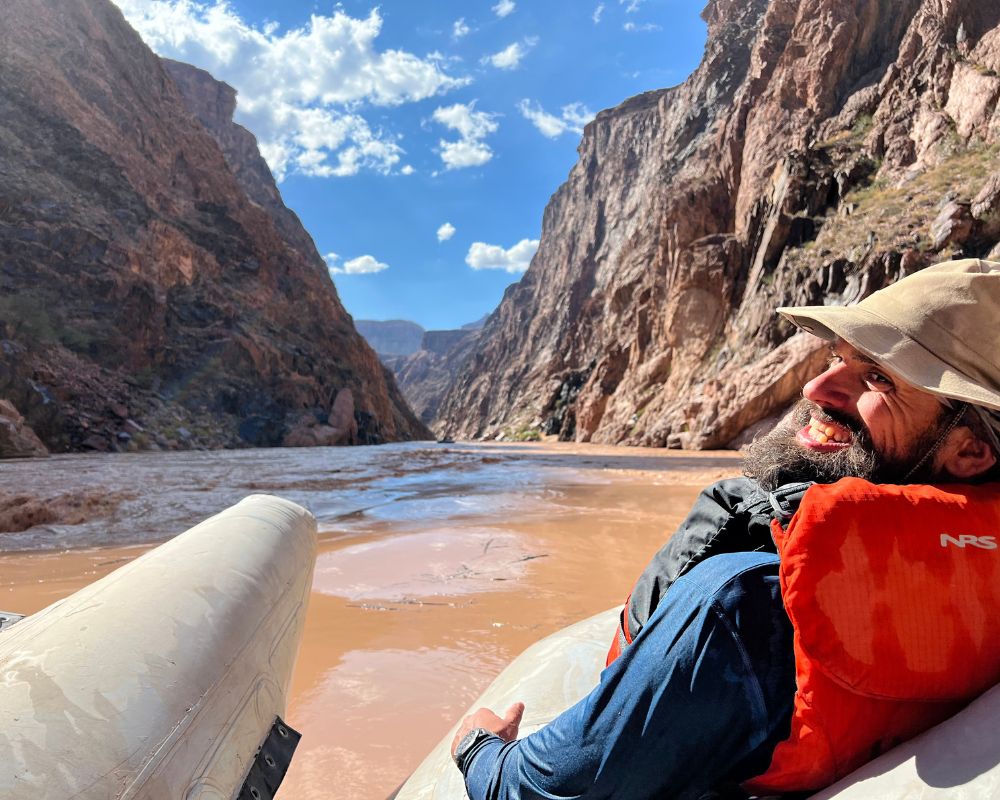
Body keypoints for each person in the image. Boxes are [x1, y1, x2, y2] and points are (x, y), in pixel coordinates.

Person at [450, 258, 1000, 800]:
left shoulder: (738, 605)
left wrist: (478, 749)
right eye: (836, 357)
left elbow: (533, 792)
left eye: (878, 378)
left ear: (971, 452)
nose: (816, 387)